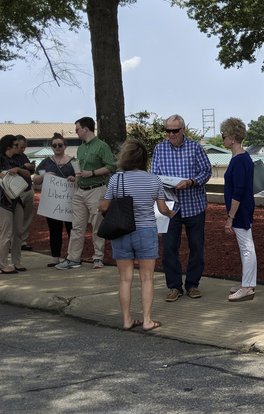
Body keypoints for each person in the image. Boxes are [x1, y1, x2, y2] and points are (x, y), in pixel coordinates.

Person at [99, 139, 176, 331]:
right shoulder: (154, 179)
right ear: (144, 159)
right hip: (146, 230)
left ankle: (127, 319)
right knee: (147, 278)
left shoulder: (116, 179)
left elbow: (104, 206)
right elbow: (162, 208)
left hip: (122, 231)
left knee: (125, 278)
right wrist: (171, 214)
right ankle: (148, 320)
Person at [151, 114, 212, 302]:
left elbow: (207, 171)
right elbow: (154, 175)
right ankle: (174, 286)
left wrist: (192, 181)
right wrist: (163, 184)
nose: (171, 134)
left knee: (196, 247)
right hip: (169, 207)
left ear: (183, 130)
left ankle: (193, 284)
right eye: (168, 130)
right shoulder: (159, 149)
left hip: (194, 204)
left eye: (175, 130)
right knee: (169, 248)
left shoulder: (195, 148)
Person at [55, 117, 116, 270]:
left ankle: (98, 258)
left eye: (77, 129)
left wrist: (93, 173)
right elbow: (80, 170)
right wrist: (75, 177)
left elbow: (111, 166)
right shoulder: (81, 148)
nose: (76, 133)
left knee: (97, 225)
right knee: (77, 226)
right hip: (80, 190)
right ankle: (73, 258)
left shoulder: (102, 146)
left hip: (96, 189)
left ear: (86, 129)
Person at [221, 117, 257, 302]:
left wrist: (230, 217)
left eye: (223, 135)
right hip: (242, 208)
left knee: (246, 247)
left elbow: (239, 191)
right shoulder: (239, 158)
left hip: (241, 209)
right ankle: (247, 282)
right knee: (246, 246)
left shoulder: (240, 160)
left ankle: (248, 286)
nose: (222, 139)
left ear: (232, 138)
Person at [30, 133, 75, 266]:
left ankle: (72, 256)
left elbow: (80, 176)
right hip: (52, 203)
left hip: (69, 201)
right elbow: (35, 179)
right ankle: (55, 258)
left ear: (65, 146)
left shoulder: (73, 161)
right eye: (54, 145)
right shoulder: (46, 162)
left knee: (72, 229)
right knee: (54, 230)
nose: (57, 147)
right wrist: (45, 176)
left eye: (60, 145)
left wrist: (74, 178)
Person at [0, 134, 29, 274]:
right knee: (6, 233)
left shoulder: (18, 159)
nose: (19, 148)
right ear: (8, 147)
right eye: (16, 145)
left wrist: (19, 169)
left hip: (17, 199)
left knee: (18, 231)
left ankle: (16, 262)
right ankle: (2, 264)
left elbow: (29, 173)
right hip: (3, 200)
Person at [13, 135, 35, 252]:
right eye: (21, 147)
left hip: (27, 188)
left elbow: (30, 172)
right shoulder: (8, 157)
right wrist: (22, 167)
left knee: (27, 217)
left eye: (24, 147)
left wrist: (31, 167)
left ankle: (23, 240)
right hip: (16, 191)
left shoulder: (24, 156)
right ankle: (13, 241)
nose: (23, 150)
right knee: (15, 217)